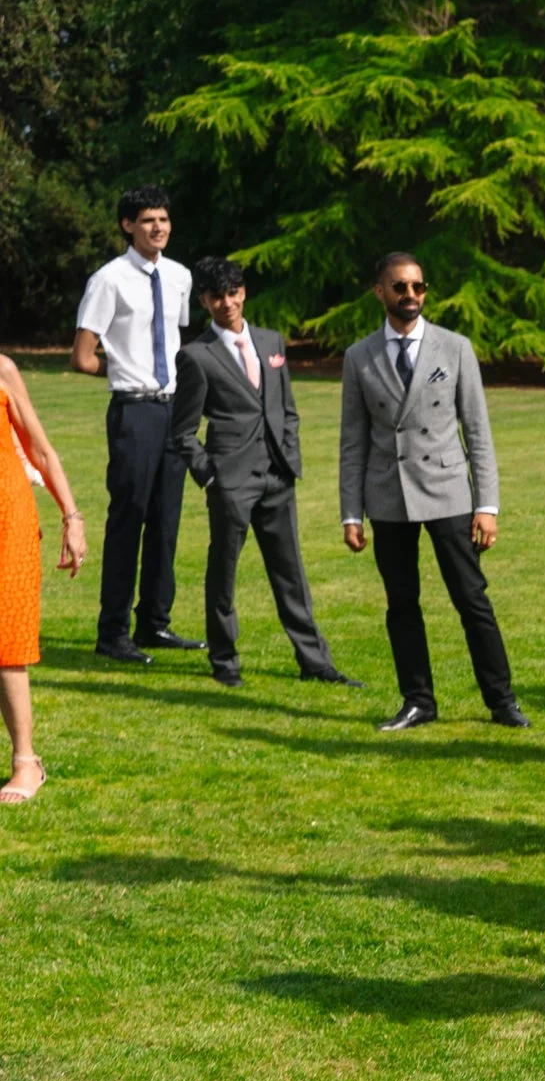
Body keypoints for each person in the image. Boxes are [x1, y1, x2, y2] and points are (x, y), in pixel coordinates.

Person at [340, 253, 526, 731]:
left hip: (448, 492)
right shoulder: (359, 357)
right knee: (401, 605)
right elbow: (353, 440)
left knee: (472, 599)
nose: (411, 296)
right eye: (400, 287)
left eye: (419, 287)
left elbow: (478, 431)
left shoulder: (455, 347)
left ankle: (501, 700)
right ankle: (418, 700)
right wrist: (350, 513)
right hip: (389, 495)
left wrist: (487, 505)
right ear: (380, 292)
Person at [167, 258, 356, 691]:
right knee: (224, 574)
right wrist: (210, 476)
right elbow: (181, 432)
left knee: (291, 573)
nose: (227, 303)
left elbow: (285, 406)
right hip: (230, 480)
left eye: (233, 292)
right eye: (217, 296)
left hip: (277, 476)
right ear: (204, 301)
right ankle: (224, 660)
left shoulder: (271, 341)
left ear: (244, 292)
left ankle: (315, 661)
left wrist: (289, 453)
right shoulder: (196, 356)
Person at [71, 184, 197, 664]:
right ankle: (112, 632)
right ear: (128, 226)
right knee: (129, 519)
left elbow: (174, 341)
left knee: (167, 521)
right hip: (134, 412)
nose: (158, 227)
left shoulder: (181, 276)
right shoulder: (109, 280)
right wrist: (122, 371)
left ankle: (154, 625)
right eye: (148, 220)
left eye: (163, 219)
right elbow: (82, 357)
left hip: (174, 410)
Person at [0, 358, 87, 805]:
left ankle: (26, 762)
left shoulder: (2, 371)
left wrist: (71, 517)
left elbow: (40, 450)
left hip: (7, 519)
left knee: (8, 641)